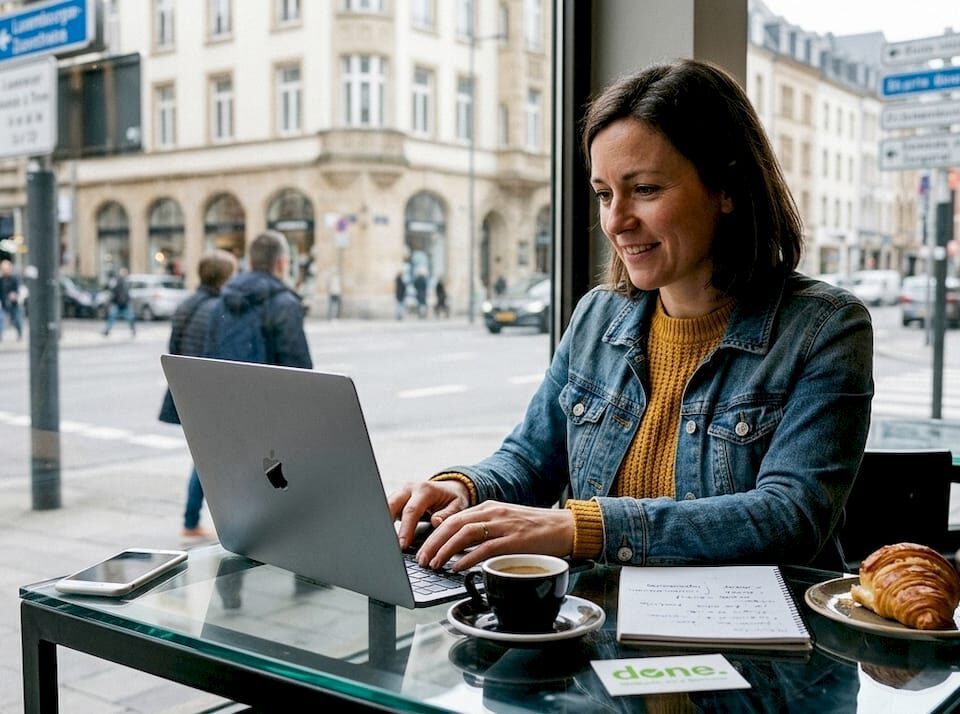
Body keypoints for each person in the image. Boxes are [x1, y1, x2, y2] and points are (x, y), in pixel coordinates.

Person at [390, 59, 874, 574]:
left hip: (753, 625)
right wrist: (462, 489)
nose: (615, 221)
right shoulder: (597, 316)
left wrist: (582, 528)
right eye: (604, 194)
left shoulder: (826, 328)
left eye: (644, 189)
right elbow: (530, 460)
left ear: (726, 189)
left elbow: (790, 516)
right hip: (601, 616)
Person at [158, 250, 237, 539]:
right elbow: (222, 357)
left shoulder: (186, 305)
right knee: (211, 459)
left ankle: (193, 521)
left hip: (187, 392)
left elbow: (173, 349)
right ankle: (195, 522)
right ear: (225, 277)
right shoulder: (220, 309)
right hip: (210, 395)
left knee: (207, 457)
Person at [206, 230, 313, 369]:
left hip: (226, 381)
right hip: (266, 383)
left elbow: (209, 354)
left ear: (250, 263)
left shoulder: (224, 300)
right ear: (281, 263)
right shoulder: (285, 304)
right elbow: (298, 369)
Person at [102, 267, 136, 337]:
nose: (125, 274)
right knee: (112, 316)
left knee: (130, 317)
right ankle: (107, 330)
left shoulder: (127, 282)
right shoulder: (116, 280)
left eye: (125, 273)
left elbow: (128, 293)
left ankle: (133, 330)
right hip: (117, 302)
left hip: (125, 303)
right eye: (123, 272)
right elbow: (110, 288)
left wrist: (129, 300)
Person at [0, 259, 23, 341]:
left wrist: (15, 294)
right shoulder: (1, 279)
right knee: (1, 319)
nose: (5, 271)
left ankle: (20, 334)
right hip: (4, 303)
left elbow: (20, 288)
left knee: (17, 320)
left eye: (6, 269)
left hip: (14, 303)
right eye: (3, 269)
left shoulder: (15, 278)